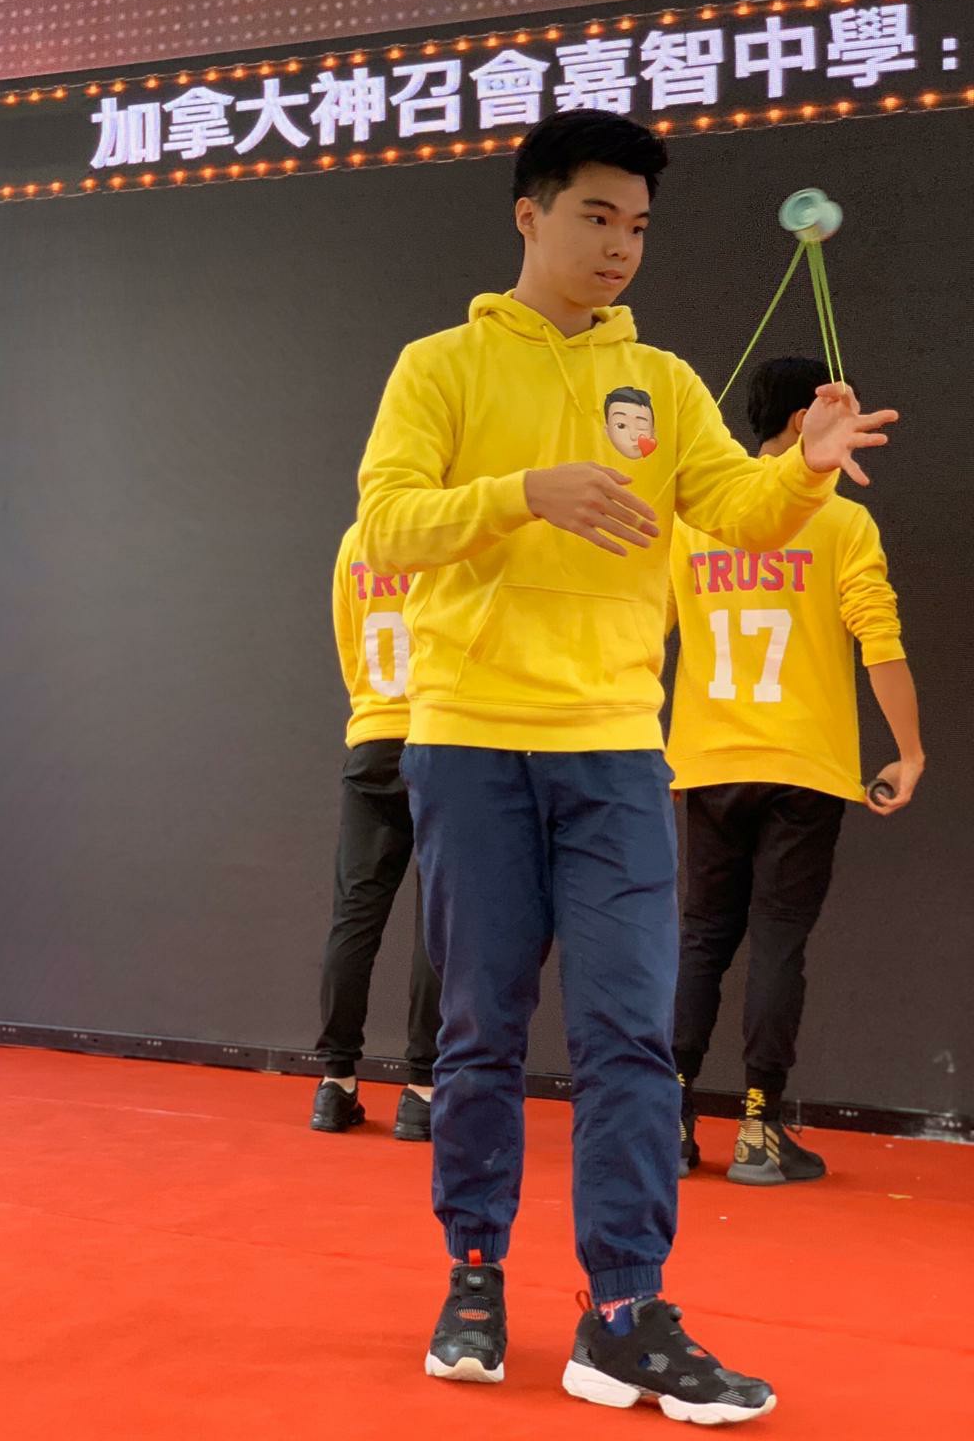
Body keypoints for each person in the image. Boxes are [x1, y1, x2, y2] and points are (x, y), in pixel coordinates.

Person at [355, 109, 896, 1423]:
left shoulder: (662, 382)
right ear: (530, 213)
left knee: (630, 1040)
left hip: (612, 751)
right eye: (596, 216)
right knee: (480, 1029)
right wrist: (521, 493)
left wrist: (807, 472)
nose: (619, 246)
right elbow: (387, 524)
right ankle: (473, 1274)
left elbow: (737, 510)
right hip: (470, 741)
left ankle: (623, 1312)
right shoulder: (440, 367)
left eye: (639, 227)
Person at [667, 357, 923, 1186]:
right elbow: (879, 639)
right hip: (805, 770)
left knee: (701, 939)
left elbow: (642, 630)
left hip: (707, 762)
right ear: (810, 416)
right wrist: (910, 752)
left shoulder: (693, 521)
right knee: (778, 940)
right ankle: (758, 1129)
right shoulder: (841, 523)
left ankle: (667, 1120)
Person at [311, 522, 442, 1141]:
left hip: (370, 737)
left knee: (354, 916)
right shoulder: (446, 532)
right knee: (436, 919)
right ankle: (422, 1090)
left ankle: (334, 1085)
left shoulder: (355, 541)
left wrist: (371, 709)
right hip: (440, 738)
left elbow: (347, 642)